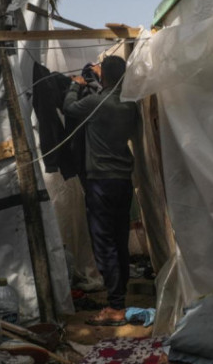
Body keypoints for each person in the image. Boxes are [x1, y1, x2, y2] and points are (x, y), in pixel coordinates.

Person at [63, 55, 140, 326]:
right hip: (123, 181)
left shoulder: (95, 103)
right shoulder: (130, 104)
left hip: (100, 183)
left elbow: (69, 108)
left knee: (103, 243)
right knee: (119, 241)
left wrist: (77, 83)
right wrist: (102, 79)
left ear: (104, 76)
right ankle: (119, 300)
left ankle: (115, 308)